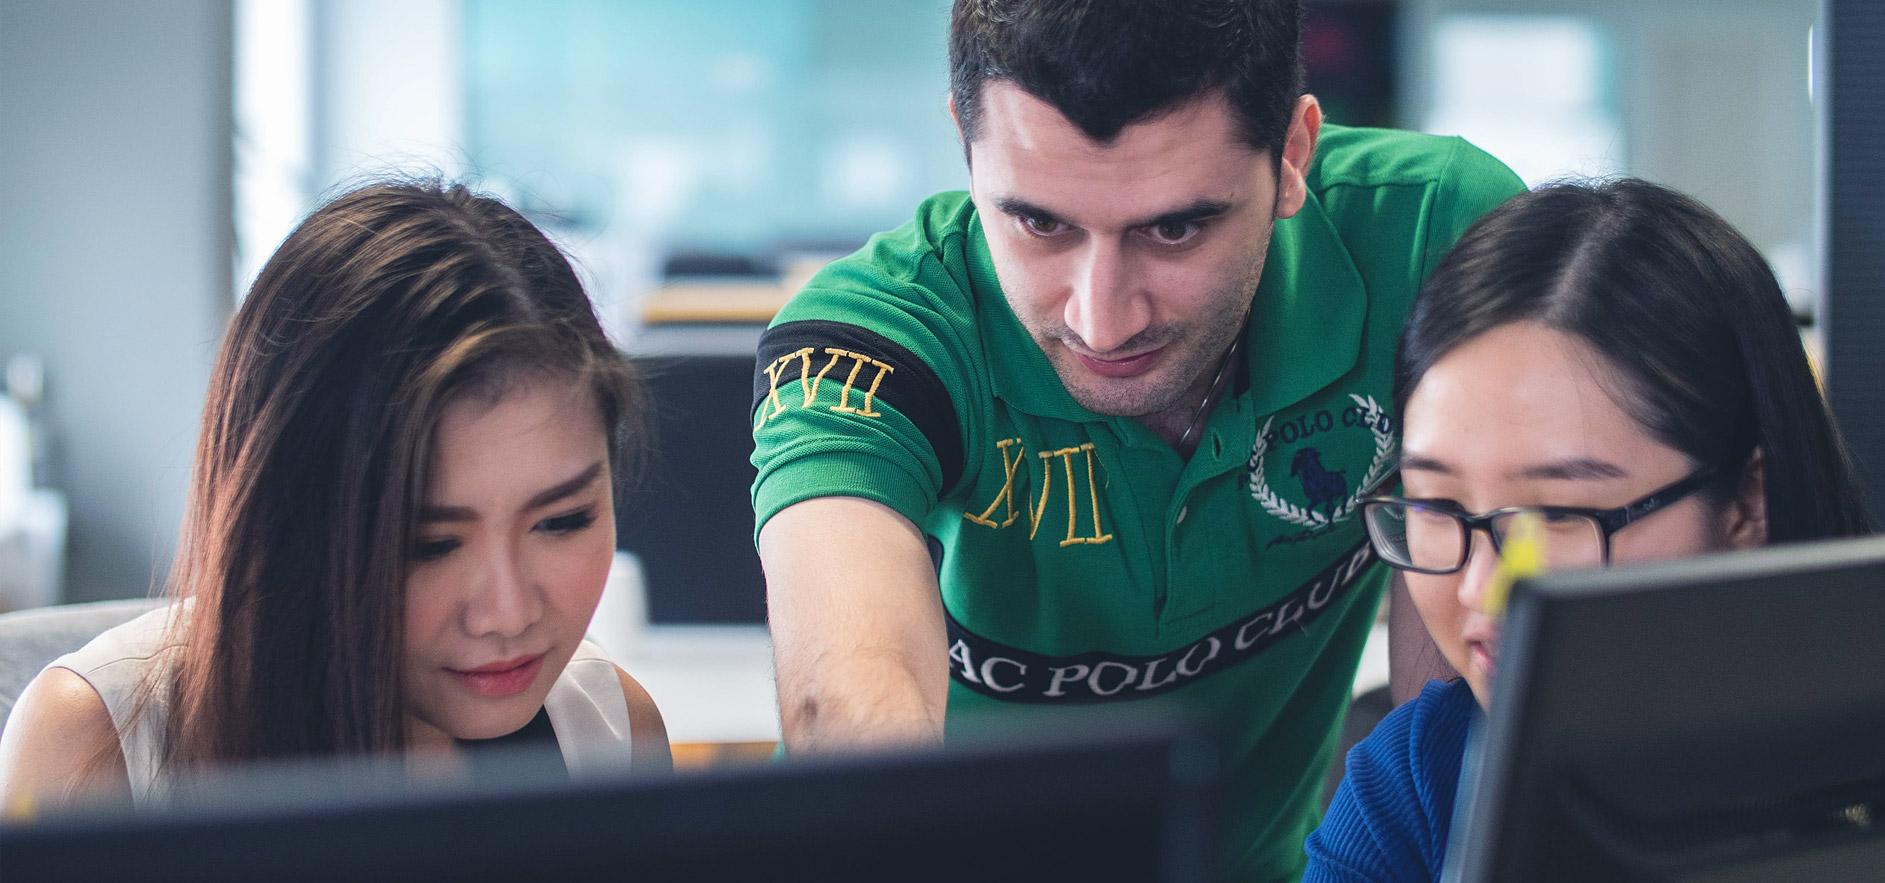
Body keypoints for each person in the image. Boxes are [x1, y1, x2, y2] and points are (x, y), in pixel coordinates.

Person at [749, 1, 1523, 877]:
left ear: (1293, 153)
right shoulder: (866, 340)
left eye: (1174, 228)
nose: (1102, 319)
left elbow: (1457, 675)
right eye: (1041, 224)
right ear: (964, 137)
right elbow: (848, 699)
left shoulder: (1434, 235)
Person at [0, 181, 670, 812]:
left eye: (561, 520)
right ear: (289, 525)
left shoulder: (610, 736)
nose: (506, 611)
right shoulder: (94, 750)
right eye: (429, 544)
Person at [1302, 178, 1874, 882]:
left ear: (1745, 502)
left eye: (1554, 515)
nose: (1483, 587)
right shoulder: (1422, 776)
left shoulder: (1878, 775)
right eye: (1436, 504)